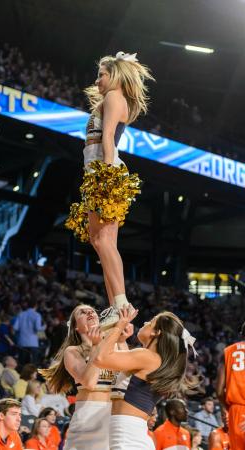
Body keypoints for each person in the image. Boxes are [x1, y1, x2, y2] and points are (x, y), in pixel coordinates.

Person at [66, 51, 154, 329]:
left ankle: (121, 305)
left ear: (115, 75)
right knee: (100, 241)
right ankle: (116, 306)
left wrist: (104, 174)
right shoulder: (112, 98)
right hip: (99, 172)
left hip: (104, 171)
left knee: (103, 241)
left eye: (102, 74)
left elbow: (107, 139)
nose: (97, 79)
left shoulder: (114, 97)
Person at [93, 307, 196, 450]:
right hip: (128, 434)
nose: (146, 321)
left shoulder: (147, 357)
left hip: (127, 437)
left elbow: (100, 358)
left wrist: (119, 325)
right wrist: (122, 339)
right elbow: (121, 369)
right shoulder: (150, 360)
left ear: (156, 332)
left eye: (151, 321)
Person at [39, 304, 115, 450]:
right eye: (82, 312)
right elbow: (90, 383)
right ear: (76, 328)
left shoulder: (110, 347)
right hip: (87, 418)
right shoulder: (73, 351)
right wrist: (95, 345)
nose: (89, 313)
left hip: (110, 416)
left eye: (92, 311)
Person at [216, 319, 245, 449]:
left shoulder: (227, 352)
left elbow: (219, 390)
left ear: (241, 335)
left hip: (235, 411)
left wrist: (228, 407)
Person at [13, 298, 46, 365]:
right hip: (33, 343)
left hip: (22, 343)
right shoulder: (37, 315)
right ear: (36, 305)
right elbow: (38, 329)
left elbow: (15, 328)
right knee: (33, 366)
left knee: (22, 365)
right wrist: (44, 327)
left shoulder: (21, 314)